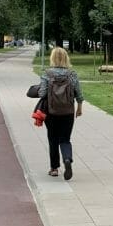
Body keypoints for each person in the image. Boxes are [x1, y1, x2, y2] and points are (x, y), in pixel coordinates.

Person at [37, 47, 84, 179]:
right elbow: (78, 93)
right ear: (66, 58)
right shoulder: (72, 74)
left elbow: (42, 93)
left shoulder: (47, 74)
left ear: (52, 58)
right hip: (68, 112)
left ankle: (54, 168)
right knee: (65, 139)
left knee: (53, 139)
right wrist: (79, 108)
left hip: (51, 112)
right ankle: (67, 159)